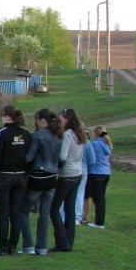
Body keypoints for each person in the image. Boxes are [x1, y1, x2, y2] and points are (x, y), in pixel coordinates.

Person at [19, 108, 63, 255]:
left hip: (38, 176)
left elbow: (29, 157)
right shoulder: (58, 136)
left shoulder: (38, 136)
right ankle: (42, 247)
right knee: (44, 214)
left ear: (42, 121)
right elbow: (61, 159)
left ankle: (28, 245)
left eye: (37, 120)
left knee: (24, 211)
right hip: (52, 177)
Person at [0, 105, 31, 256]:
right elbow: (29, 156)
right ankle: (13, 245)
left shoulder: (3, 133)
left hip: (4, 176)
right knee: (16, 213)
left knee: (4, 214)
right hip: (20, 176)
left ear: (7, 116)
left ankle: (3, 247)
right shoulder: (26, 134)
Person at [49, 108, 87, 252]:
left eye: (61, 119)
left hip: (67, 175)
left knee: (54, 209)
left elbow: (63, 156)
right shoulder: (80, 134)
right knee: (69, 209)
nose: (59, 122)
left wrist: (55, 162)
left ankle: (62, 241)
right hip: (77, 173)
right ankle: (68, 242)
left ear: (67, 119)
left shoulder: (67, 135)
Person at [86, 126, 112, 229]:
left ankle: (99, 222)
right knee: (101, 198)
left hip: (96, 173)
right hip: (106, 173)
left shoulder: (95, 144)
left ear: (96, 134)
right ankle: (100, 220)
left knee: (97, 199)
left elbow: (90, 157)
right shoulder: (107, 144)